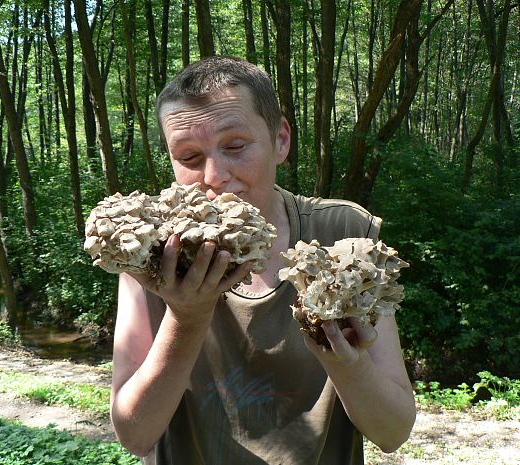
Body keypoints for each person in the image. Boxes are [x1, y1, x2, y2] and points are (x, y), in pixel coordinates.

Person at [110, 56, 416, 465]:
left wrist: (341, 356)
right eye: (189, 158)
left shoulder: (344, 237)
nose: (214, 175)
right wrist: (186, 318)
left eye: (235, 147)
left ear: (281, 140)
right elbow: (134, 434)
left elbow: (393, 432)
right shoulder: (151, 251)